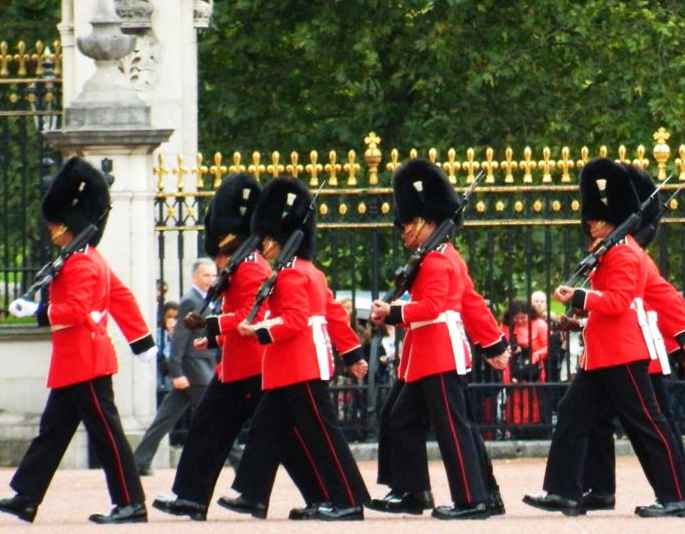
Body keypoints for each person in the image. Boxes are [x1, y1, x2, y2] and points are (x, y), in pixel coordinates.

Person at [0, 156, 155, 524]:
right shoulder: (83, 257)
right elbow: (121, 297)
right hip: (74, 362)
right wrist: (141, 341)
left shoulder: (81, 262)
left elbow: (76, 310)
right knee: (53, 433)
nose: (52, 231)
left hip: (86, 362)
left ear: (69, 225)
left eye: (56, 225)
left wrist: (38, 312)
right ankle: (26, 497)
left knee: (107, 435)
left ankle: (132, 503)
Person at [523, 158, 685, 518]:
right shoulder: (609, 252)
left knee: (646, 423)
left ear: (609, 218)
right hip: (602, 354)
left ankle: (677, 495)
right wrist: (582, 315)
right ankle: (564, 492)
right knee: (572, 414)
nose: (589, 223)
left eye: (596, 218)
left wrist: (579, 297)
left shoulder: (625, 253)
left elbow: (619, 302)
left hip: (622, 353)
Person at [220, 176, 371, 521]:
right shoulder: (306, 271)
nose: (262, 248)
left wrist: (256, 330)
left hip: (299, 365)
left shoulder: (289, 275)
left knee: (322, 436)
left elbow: (294, 320)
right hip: (288, 368)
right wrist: (352, 354)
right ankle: (252, 494)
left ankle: (347, 501)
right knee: (264, 430)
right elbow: (332, 313)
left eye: (266, 242)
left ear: (276, 241)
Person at [369, 159, 497, 520]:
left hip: (439, 353)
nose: (404, 232)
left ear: (427, 222)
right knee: (399, 417)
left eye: (408, 224)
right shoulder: (430, 258)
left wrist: (392, 313)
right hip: (422, 356)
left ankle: (471, 499)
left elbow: (434, 306)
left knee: (452, 430)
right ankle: (413, 490)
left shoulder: (438, 260)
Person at [152, 173, 269, 522]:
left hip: (258, 368)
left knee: (285, 440)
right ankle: (190, 497)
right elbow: (233, 317)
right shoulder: (239, 267)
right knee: (206, 430)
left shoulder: (252, 268)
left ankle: (330, 496)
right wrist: (215, 336)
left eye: (220, 254)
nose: (217, 262)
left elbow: (250, 316)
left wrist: (212, 325)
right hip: (235, 369)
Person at [133, 258, 219, 476]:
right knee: (217, 417)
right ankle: (239, 462)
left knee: (165, 418)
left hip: (202, 367)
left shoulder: (209, 298)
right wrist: (177, 372)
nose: (211, 280)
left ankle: (139, 462)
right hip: (195, 370)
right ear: (195, 277)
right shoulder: (190, 300)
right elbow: (180, 337)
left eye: (213, 275)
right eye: (206, 275)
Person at [502, 298, 548, 432]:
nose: (520, 321)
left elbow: (547, 346)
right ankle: (515, 426)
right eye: (516, 318)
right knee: (514, 398)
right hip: (512, 366)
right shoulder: (505, 326)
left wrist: (534, 356)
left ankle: (534, 426)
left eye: (523, 318)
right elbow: (502, 344)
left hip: (534, 368)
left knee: (533, 397)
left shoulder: (540, 324)